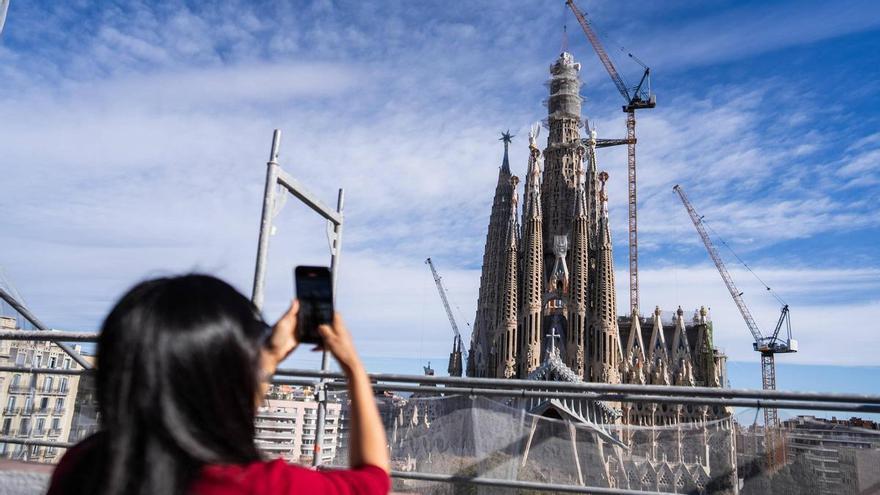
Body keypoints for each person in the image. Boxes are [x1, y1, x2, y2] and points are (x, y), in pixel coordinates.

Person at [46, 274, 390, 495]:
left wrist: (266, 356)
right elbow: (373, 480)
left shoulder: (82, 464)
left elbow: (203, 403)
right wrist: (353, 367)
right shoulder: (259, 486)